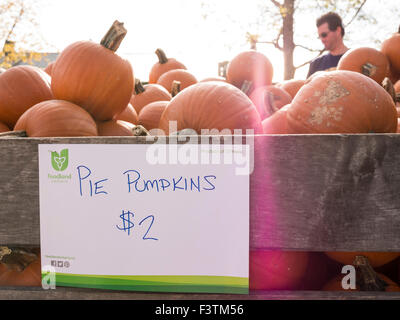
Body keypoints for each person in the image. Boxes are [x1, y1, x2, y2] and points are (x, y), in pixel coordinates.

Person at [307, 12, 349, 78]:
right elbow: (309, 87)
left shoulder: (357, 57)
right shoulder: (316, 64)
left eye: (324, 35)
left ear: (338, 31)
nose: (322, 39)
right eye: (319, 36)